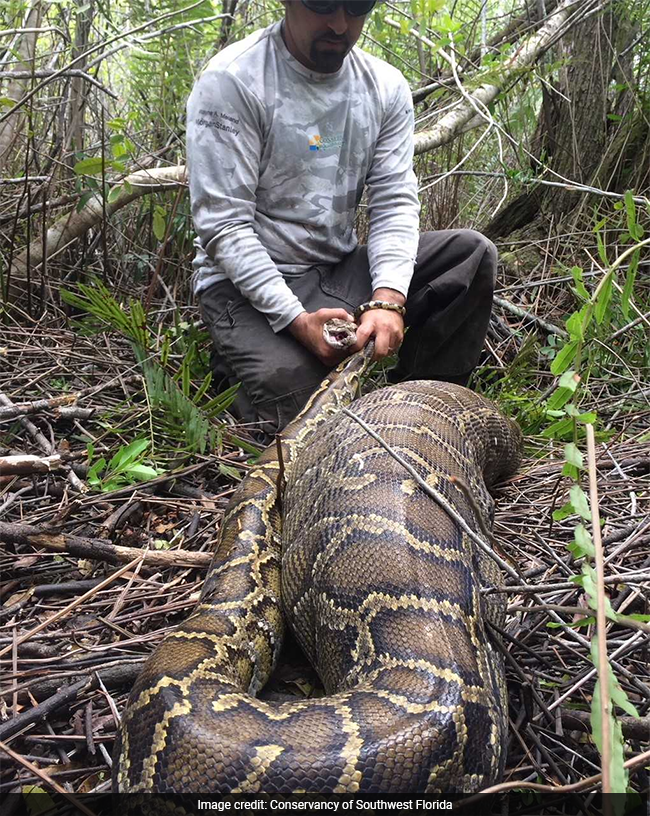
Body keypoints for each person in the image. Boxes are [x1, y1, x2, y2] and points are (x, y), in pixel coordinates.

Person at [187, 0, 496, 440]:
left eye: (356, 6)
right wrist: (296, 320)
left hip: (336, 267)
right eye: (322, 4)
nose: (339, 23)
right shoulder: (233, 81)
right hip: (243, 288)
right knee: (308, 417)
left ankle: (427, 410)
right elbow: (223, 225)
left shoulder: (384, 87)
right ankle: (244, 364)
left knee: (471, 256)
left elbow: (393, 200)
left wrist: (388, 299)